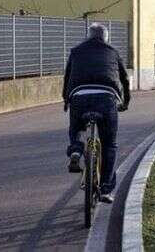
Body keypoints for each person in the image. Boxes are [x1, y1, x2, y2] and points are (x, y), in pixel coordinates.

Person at [63, 23, 130, 204]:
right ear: (105, 37)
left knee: (76, 128)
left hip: (79, 96)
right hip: (106, 98)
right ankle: (106, 189)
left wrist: (66, 100)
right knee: (109, 144)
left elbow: (67, 77)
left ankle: (76, 150)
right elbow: (124, 79)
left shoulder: (76, 51)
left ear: (88, 36)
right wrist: (125, 102)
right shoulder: (113, 52)